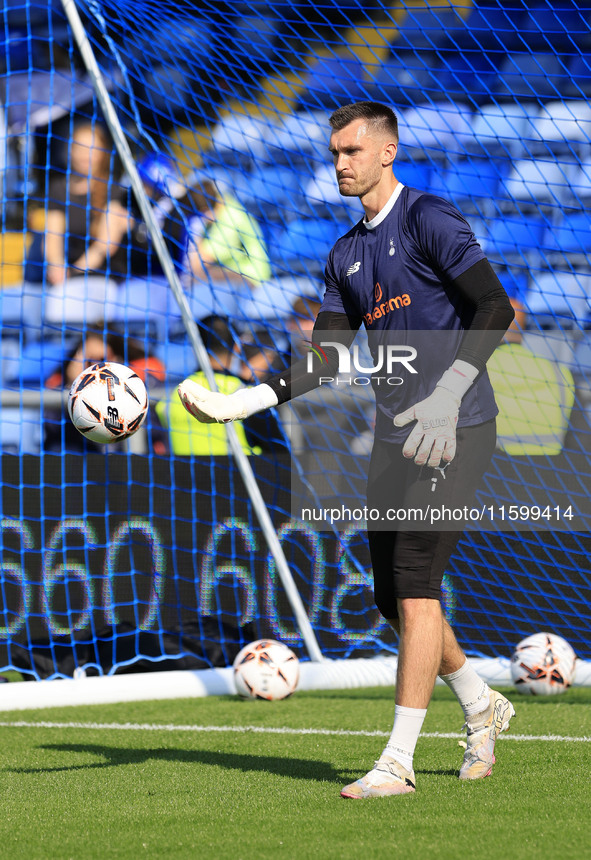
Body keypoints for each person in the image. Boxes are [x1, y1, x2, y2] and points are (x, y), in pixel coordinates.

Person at [176, 102, 516, 798]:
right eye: (333, 152)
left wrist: (449, 394)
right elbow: (325, 359)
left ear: (386, 152)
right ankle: (481, 701)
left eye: (351, 151)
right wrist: (245, 400)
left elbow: (494, 307)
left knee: (417, 586)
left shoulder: (429, 218)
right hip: (395, 434)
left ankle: (397, 761)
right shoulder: (344, 253)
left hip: (455, 427)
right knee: (394, 601)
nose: (339, 163)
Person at [156, 316, 284, 456]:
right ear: (237, 348)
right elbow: (281, 454)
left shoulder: (170, 399)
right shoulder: (248, 397)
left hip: (184, 477)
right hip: (238, 476)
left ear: (195, 349)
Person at [45, 326, 165, 453]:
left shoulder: (138, 384)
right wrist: (73, 387)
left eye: (102, 360)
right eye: (89, 361)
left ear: (116, 360)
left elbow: (155, 430)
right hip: (82, 460)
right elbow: (51, 425)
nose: (96, 368)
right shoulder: (62, 384)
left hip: (125, 459)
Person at [44, 122, 131, 286]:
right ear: (71, 151)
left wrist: (74, 273)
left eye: (92, 150)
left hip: (103, 277)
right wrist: (57, 267)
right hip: (66, 279)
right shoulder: (58, 189)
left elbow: (105, 245)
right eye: (81, 149)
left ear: (102, 154)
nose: (86, 156)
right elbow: (52, 238)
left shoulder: (113, 190)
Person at [487, 299, 575, 456]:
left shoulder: (475, 370)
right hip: (553, 468)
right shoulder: (559, 371)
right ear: (524, 328)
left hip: (494, 465)